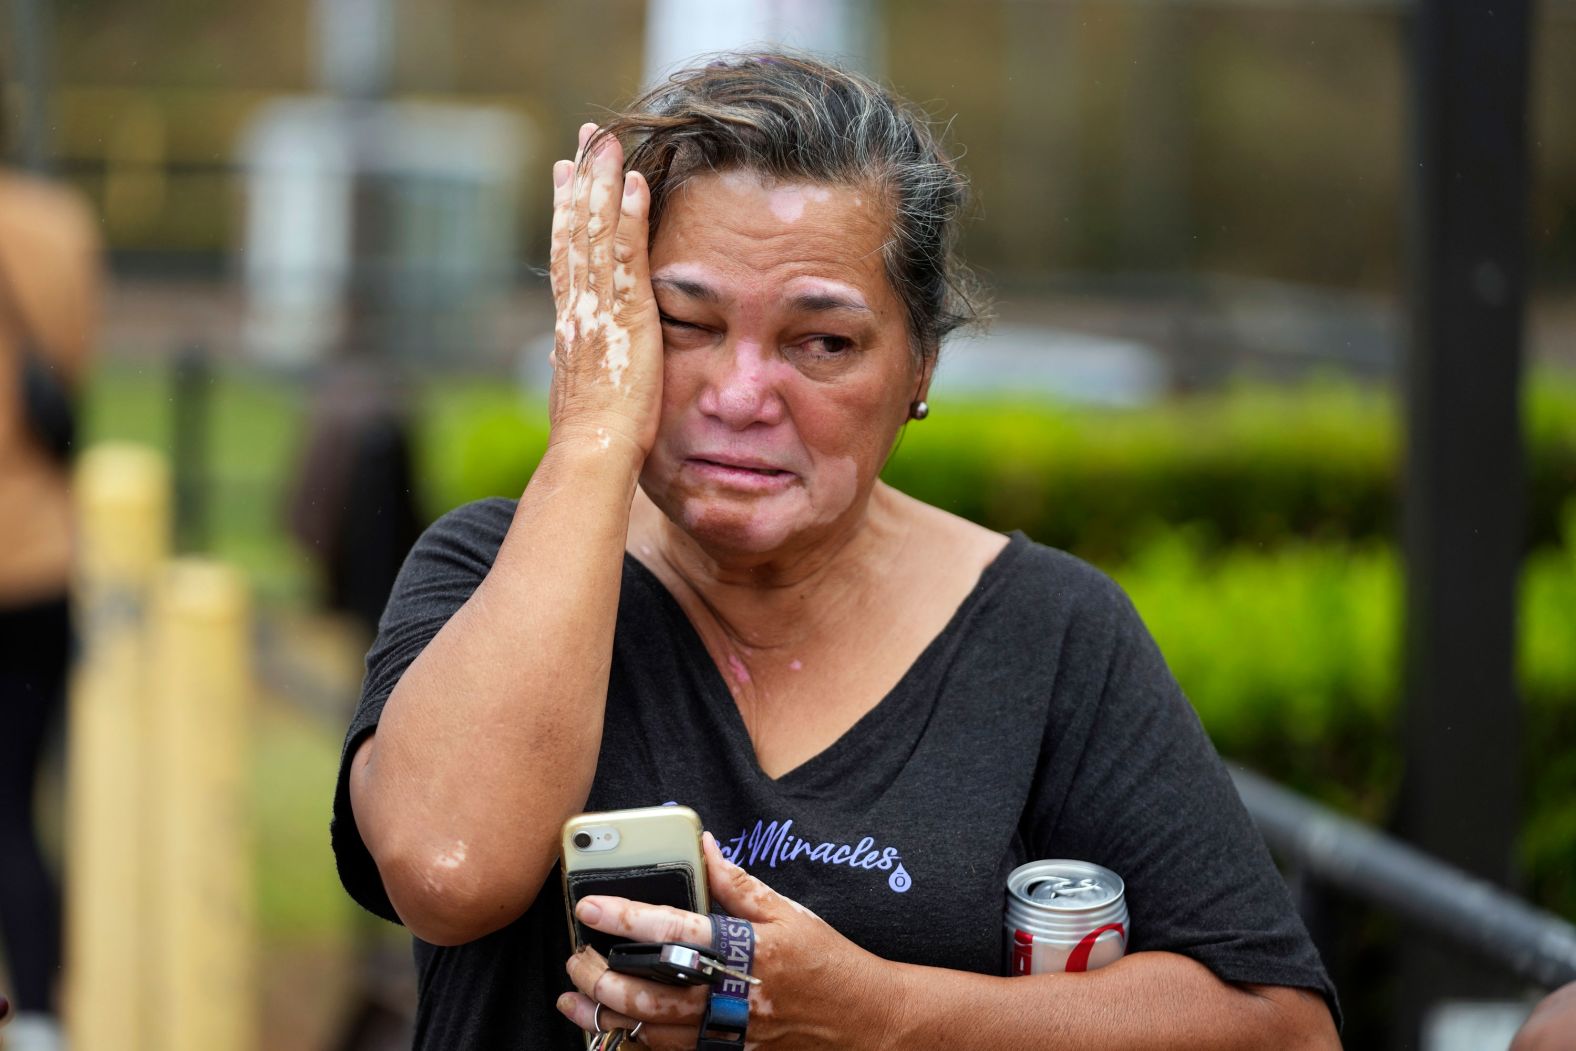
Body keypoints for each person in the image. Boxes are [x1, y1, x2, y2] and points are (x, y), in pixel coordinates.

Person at [332, 52, 1341, 1049]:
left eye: (823, 343)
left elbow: (1281, 1029)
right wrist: (595, 436)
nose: (739, 394)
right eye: (684, 323)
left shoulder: (1047, 635)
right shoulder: (486, 570)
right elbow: (449, 870)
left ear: (921, 365)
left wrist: (873, 1013)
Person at [0, 164, 99, 1050]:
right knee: (21, 800)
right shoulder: (57, 222)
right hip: (42, 552)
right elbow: (75, 368)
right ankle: (38, 1011)